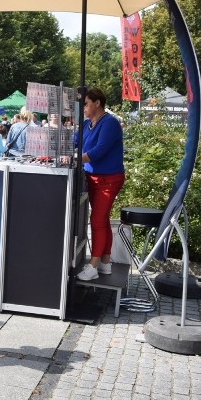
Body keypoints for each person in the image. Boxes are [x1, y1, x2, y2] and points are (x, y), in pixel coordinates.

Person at [75, 88, 126, 281]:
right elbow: (75, 142)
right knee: (102, 220)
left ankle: (94, 265)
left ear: (97, 103)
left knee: (96, 221)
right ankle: (105, 261)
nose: (84, 108)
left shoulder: (110, 123)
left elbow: (99, 151)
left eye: (86, 104)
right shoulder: (87, 124)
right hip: (93, 178)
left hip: (109, 179)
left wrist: (76, 159)